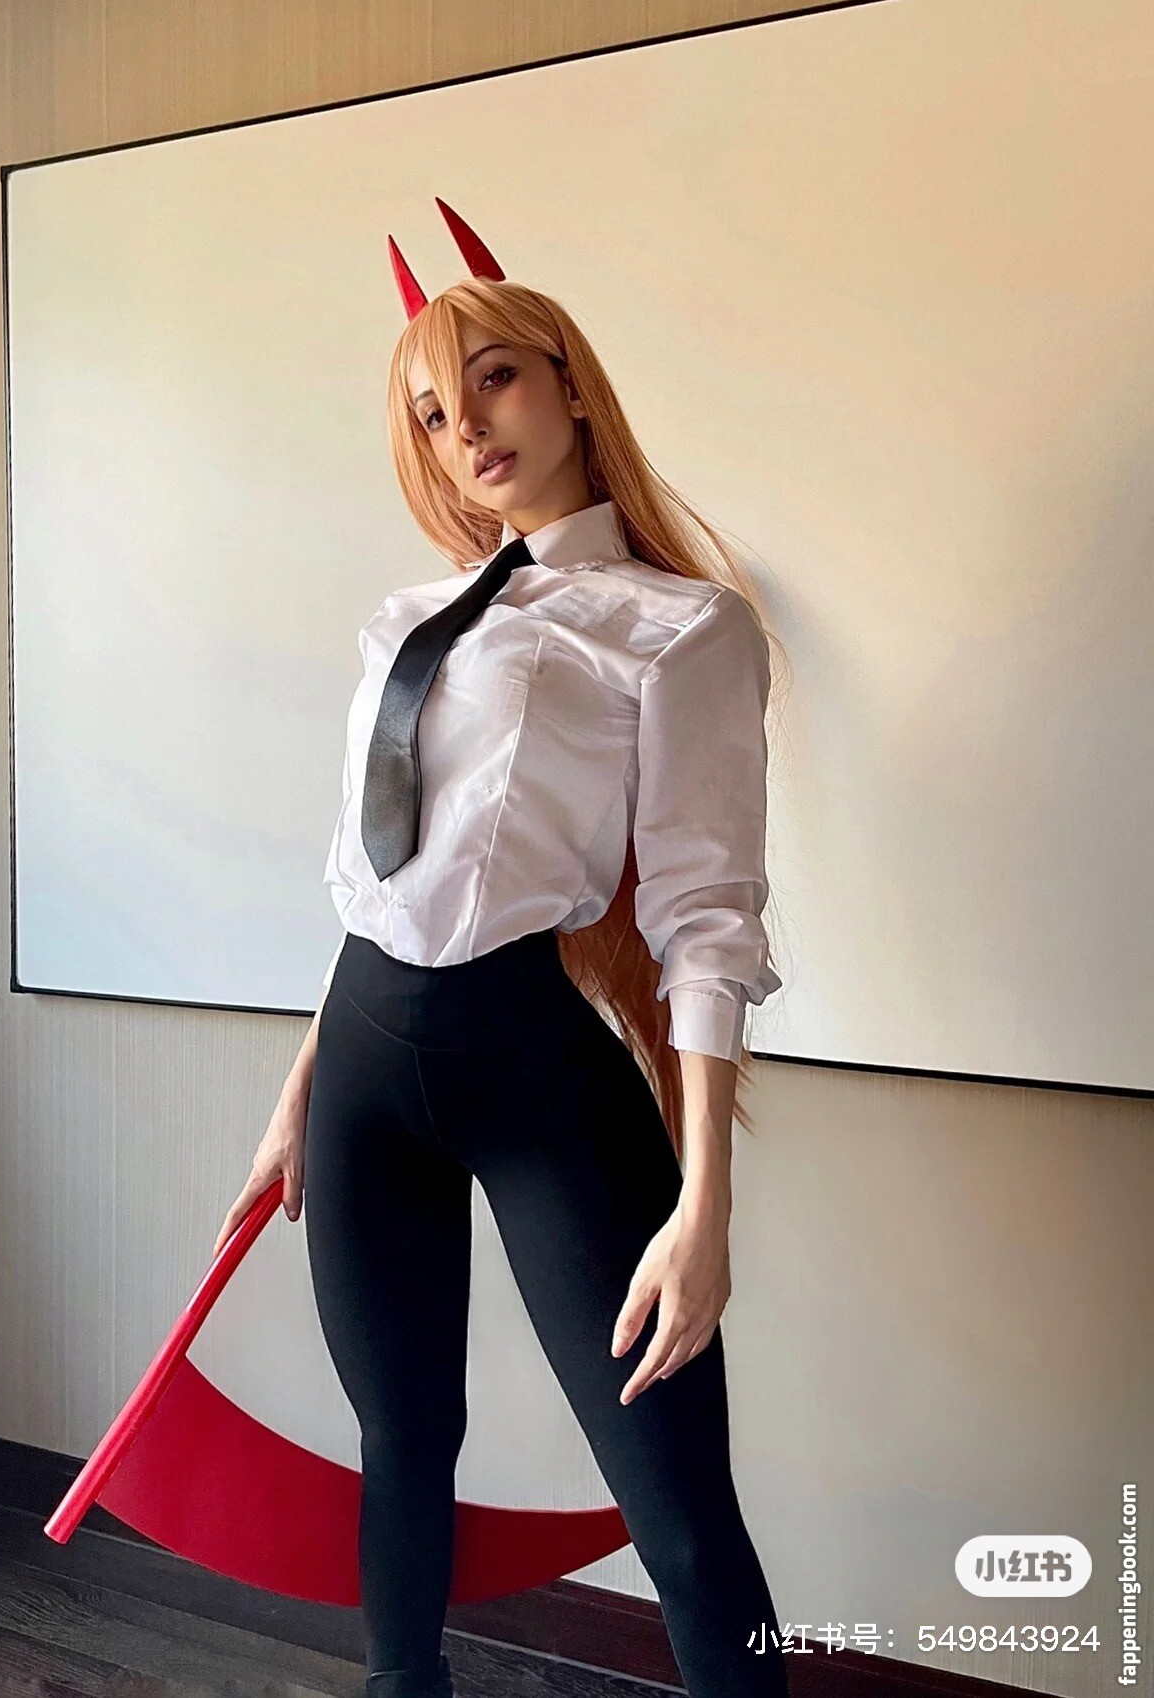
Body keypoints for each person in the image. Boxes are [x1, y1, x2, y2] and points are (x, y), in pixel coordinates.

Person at [215, 202, 789, 1698]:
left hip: (531, 1072)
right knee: (401, 1444)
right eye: (430, 410)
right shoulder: (406, 619)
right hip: (361, 1073)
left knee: (681, 1514)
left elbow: (706, 915)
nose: (464, 426)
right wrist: (297, 1096)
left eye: (494, 379)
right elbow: (371, 886)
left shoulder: (680, 626)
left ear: (569, 383)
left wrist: (707, 1204)